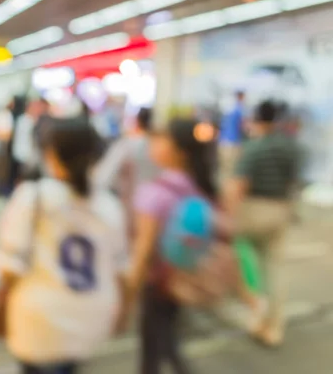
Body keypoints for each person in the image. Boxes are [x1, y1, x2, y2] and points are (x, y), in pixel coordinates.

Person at [0, 118, 128, 374]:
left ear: (51, 154)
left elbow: (10, 266)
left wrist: (1, 299)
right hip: (90, 312)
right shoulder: (108, 205)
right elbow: (120, 269)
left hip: (39, 315)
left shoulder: (33, 196)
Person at [125, 118, 219, 374]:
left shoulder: (154, 193)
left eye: (161, 141)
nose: (153, 146)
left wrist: (128, 293)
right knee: (164, 336)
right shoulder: (197, 185)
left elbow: (143, 250)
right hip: (183, 274)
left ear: (179, 151)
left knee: (154, 343)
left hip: (156, 281)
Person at [225, 100, 300, 348]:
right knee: (276, 268)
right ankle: (275, 327)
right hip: (280, 209)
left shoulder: (253, 148)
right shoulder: (290, 147)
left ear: (257, 119)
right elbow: (294, 181)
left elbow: (239, 184)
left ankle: (257, 317)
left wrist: (228, 215)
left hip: (253, 210)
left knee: (249, 267)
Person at [94, 108, 159, 239]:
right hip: (156, 213)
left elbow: (102, 177)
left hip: (129, 210)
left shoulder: (127, 146)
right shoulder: (160, 149)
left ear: (137, 121)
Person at [0, 96, 26, 198]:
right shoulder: (8, 114)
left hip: (14, 147)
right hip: (9, 147)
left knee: (11, 170)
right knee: (7, 170)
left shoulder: (19, 115)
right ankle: (6, 189)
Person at [219, 90, 247, 179]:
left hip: (224, 140)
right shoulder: (239, 109)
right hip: (233, 141)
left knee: (226, 168)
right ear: (241, 97)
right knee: (233, 168)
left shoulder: (229, 108)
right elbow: (243, 126)